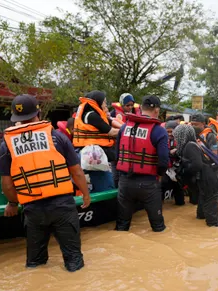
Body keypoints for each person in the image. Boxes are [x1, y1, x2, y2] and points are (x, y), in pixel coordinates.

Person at [0, 94, 90, 272]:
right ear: (38, 113)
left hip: (33, 210)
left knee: (35, 263)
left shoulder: (6, 145)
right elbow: (76, 172)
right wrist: (85, 194)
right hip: (62, 206)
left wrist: (13, 203)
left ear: (16, 119)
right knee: (74, 262)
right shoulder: (58, 138)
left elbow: (7, 184)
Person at [114, 95, 169, 232]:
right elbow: (163, 161)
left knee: (122, 226)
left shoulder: (124, 127)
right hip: (148, 183)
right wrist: (160, 175)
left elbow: (116, 156)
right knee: (158, 228)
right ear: (156, 110)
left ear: (140, 108)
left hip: (125, 182)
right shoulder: (159, 131)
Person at [173, 124, 218, 227]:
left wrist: (184, 171)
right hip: (208, 179)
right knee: (201, 215)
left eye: (176, 136)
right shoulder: (194, 144)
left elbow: (197, 164)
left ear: (182, 136)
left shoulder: (190, 146)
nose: (175, 139)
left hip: (208, 181)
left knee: (212, 222)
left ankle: (214, 236)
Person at [73, 90, 121, 192]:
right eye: (104, 102)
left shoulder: (93, 114)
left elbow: (110, 121)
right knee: (106, 186)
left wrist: (126, 126)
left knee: (98, 184)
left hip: (90, 153)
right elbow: (111, 132)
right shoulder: (91, 116)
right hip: (91, 154)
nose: (105, 104)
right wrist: (128, 131)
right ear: (98, 101)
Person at [162, 120, 185, 205]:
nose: (169, 134)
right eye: (167, 132)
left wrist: (177, 151)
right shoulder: (163, 140)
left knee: (179, 190)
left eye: (171, 131)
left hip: (177, 170)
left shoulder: (181, 140)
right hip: (167, 169)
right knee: (162, 187)